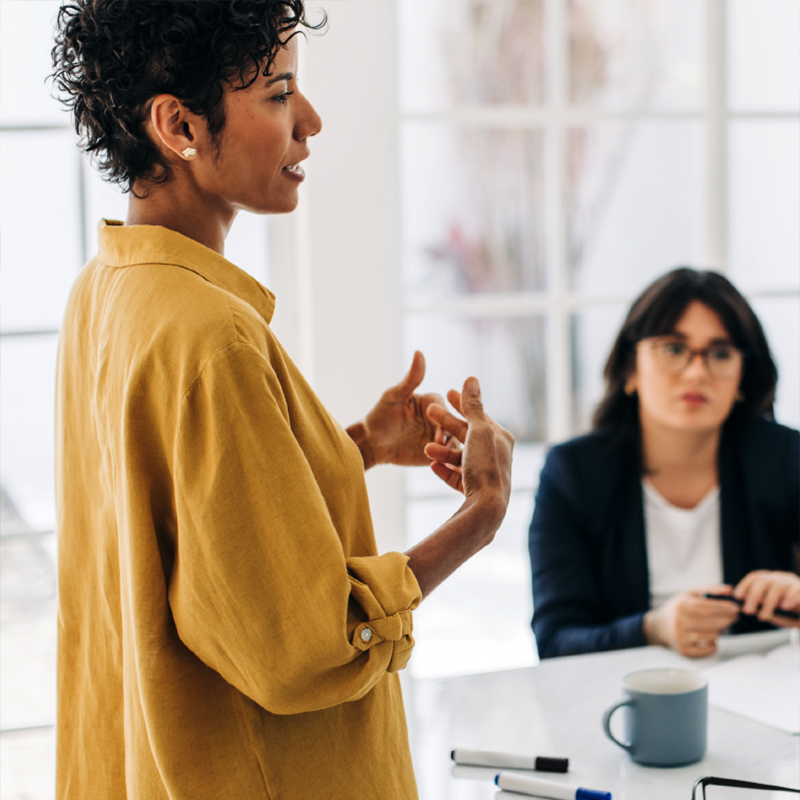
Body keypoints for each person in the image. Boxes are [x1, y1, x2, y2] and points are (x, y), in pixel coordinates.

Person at [50, 2, 513, 798]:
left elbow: (196, 527)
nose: (311, 121)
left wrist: (356, 446)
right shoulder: (211, 338)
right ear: (178, 125)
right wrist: (482, 514)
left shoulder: (103, 293)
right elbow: (310, 647)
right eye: (277, 93)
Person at [528, 267, 799, 660]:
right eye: (674, 349)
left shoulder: (784, 456)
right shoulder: (573, 473)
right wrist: (654, 628)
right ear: (630, 370)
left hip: (762, 697)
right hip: (623, 700)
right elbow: (555, 642)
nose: (696, 372)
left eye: (720, 353)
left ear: (742, 378)